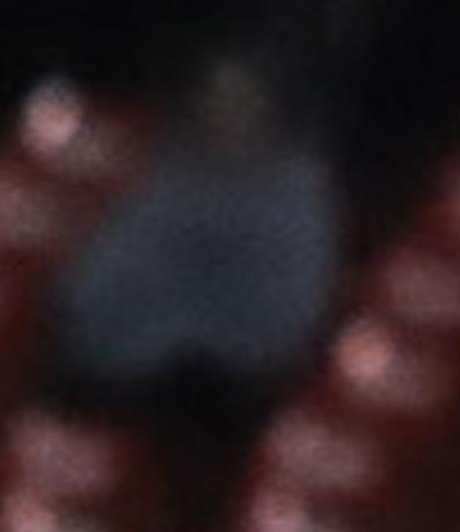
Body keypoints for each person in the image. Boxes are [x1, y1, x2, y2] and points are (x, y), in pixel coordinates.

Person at [51, 50, 340, 420]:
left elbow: (291, 318)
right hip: (132, 375)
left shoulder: (298, 196)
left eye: (239, 104)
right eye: (215, 103)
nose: (224, 116)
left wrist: (203, 356)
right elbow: (95, 285)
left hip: (232, 394)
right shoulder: (167, 181)